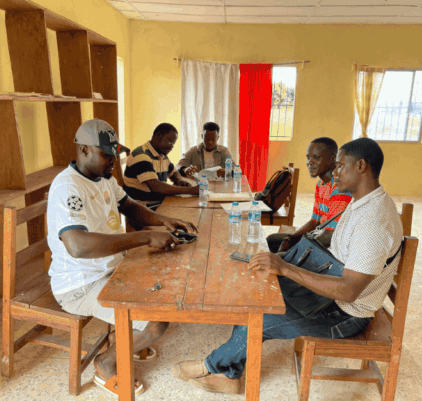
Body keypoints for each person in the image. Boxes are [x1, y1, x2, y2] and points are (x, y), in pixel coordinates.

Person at [173, 137, 403, 395]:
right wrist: (285, 261)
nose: (334, 173)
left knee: (258, 318)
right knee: (255, 294)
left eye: (340, 166)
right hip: (327, 295)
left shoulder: (374, 222)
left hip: (345, 313)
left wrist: (286, 268)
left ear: (361, 166)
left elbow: (349, 291)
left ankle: (209, 366)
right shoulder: (361, 202)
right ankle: (231, 376)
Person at [48, 118, 198, 395]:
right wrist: (145, 236)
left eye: (115, 154)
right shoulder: (67, 188)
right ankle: (106, 363)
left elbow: (130, 206)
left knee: (167, 284)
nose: (113, 161)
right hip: (79, 285)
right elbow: (78, 246)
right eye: (107, 155)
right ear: (83, 150)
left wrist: (164, 220)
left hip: (110, 270)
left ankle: (129, 339)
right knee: (156, 320)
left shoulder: (104, 179)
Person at [266, 137, 352, 253]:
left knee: (278, 258)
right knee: (272, 240)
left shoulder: (339, 189)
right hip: (319, 236)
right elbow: (314, 221)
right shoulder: (321, 185)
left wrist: (296, 249)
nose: (309, 162)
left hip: (332, 250)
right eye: (308, 158)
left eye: (316, 158)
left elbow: (329, 236)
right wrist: (290, 238)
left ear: (333, 159)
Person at [122, 123, 198, 210]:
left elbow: (173, 172)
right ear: (159, 136)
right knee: (189, 213)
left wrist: (179, 180)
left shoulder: (161, 155)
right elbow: (157, 187)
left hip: (157, 203)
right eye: (170, 140)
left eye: (174, 143)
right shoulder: (141, 156)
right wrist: (191, 191)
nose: (172, 146)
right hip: (142, 208)